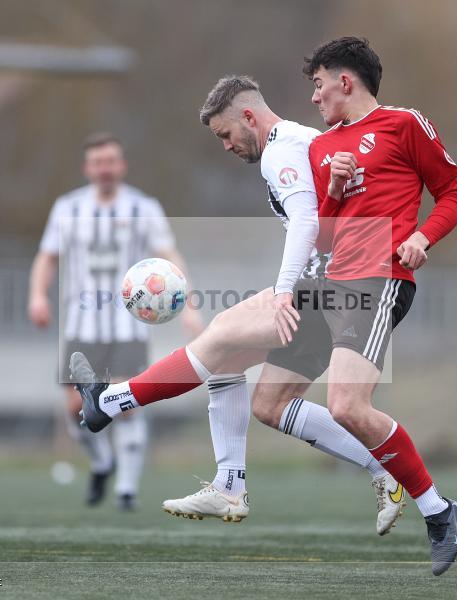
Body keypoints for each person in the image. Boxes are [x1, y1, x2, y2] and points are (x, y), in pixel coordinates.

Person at [72, 76, 405, 534]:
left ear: (249, 117)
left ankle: (108, 401)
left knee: (223, 335)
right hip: (334, 279)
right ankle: (242, 481)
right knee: (266, 402)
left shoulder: (280, 150)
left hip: (332, 283)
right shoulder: (303, 141)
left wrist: (286, 288)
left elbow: (307, 222)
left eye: (225, 134)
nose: (226, 146)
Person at [299, 36, 457, 575]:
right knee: (268, 399)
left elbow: (454, 195)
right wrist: (334, 187)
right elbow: (323, 240)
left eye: (319, 84)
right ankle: (230, 477)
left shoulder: (404, 124)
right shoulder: (322, 148)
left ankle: (438, 512)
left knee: (347, 405)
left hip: (382, 277)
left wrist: (422, 237)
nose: (314, 97)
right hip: (333, 283)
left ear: (345, 82)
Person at [29, 132, 202, 511]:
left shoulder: (144, 207)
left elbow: (169, 257)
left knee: (126, 401)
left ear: (121, 165)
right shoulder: (67, 208)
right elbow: (47, 257)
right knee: (74, 407)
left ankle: (126, 489)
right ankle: (102, 462)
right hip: (81, 322)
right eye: (97, 162)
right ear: (87, 168)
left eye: (111, 161)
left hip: (128, 326)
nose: (104, 168)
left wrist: (187, 305)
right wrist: (37, 295)